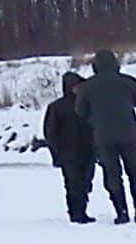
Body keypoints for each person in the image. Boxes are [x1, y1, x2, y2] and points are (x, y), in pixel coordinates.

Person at [79, 48, 136, 225]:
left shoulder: (87, 87)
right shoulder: (129, 82)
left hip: (103, 137)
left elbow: (81, 111)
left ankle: (121, 212)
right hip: (130, 134)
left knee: (112, 175)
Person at [41, 71, 96, 224]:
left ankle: (81, 211)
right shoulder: (57, 107)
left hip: (87, 150)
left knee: (85, 183)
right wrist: (56, 153)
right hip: (69, 153)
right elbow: (50, 132)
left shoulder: (87, 104)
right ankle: (76, 213)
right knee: (74, 184)